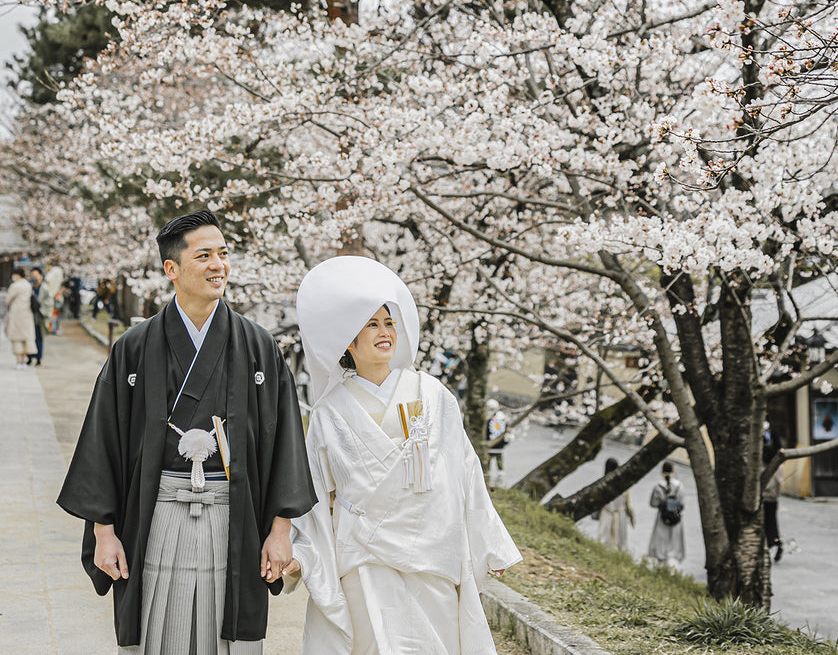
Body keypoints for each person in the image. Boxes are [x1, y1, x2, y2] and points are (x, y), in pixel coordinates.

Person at [57, 209, 317, 654]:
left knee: (227, 634)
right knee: (157, 631)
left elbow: (284, 444)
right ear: (171, 269)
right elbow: (104, 442)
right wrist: (104, 532)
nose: (219, 265)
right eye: (204, 255)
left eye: (224, 254)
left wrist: (280, 531)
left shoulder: (258, 347)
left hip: (234, 514)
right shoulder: (135, 347)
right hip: (156, 510)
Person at [288, 255, 521, 654]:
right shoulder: (329, 412)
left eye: (389, 322)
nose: (385, 332)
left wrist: (489, 542)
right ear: (348, 340)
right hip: (364, 556)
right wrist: (300, 555)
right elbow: (313, 495)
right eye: (371, 324)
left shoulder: (433, 394)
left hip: (431, 550)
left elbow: (465, 470)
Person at [648, 459, 685, 567]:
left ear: (662, 472)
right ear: (673, 471)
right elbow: (682, 504)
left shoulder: (658, 486)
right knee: (673, 542)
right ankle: (672, 565)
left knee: (661, 541)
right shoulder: (679, 486)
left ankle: (660, 563)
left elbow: (653, 503)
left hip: (662, 517)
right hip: (675, 517)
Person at [596, 457, 635, 551]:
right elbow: (629, 505)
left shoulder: (602, 483)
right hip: (620, 514)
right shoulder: (623, 484)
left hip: (606, 513)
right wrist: (632, 517)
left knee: (603, 539)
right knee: (621, 541)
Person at [4, 266, 37, 368]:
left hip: (16, 313)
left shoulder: (15, 286)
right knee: (26, 337)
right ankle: (24, 360)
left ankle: (19, 361)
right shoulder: (28, 285)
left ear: (17, 275)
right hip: (27, 313)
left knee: (17, 338)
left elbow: (8, 300)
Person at [762, 438, 783, 562]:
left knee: (765, 524)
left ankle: (770, 543)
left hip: (764, 500)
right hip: (773, 500)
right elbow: (779, 482)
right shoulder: (777, 467)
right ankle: (775, 542)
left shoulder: (762, 467)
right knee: (772, 522)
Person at [29, 265, 52, 365]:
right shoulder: (30, 288)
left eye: (35, 275)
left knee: (39, 338)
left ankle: (38, 358)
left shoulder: (45, 288)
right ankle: (29, 357)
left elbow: (49, 303)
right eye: (32, 275)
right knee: (30, 338)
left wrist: (40, 308)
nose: (33, 278)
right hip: (30, 316)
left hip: (39, 317)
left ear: (41, 276)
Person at [486, 398, 509, 488]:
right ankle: (499, 474)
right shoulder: (502, 418)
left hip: (491, 444)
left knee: (489, 460)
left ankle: (489, 475)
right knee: (498, 460)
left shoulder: (492, 419)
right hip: (499, 445)